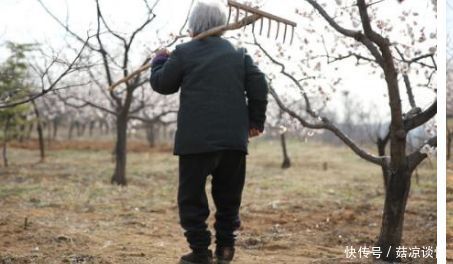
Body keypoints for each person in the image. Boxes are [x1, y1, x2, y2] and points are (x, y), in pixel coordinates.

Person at [150, 1, 268, 263]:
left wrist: (159, 60)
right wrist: (255, 121)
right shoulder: (239, 53)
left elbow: (162, 84)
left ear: (194, 24)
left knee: (191, 199)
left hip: (196, 143)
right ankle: (225, 251)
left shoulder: (184, 52)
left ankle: (200, 252)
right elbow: (259, 84)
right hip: (233, 142)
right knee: (229, 199)